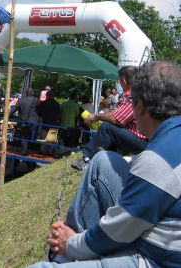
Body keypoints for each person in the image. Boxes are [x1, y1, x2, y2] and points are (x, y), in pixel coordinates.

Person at [29, 61, 181, 268]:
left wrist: (72, 244)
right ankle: (66, 251)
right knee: (102, 161)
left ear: (140, 106)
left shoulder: (158, 159)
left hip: (156, 259)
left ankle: (64, 248)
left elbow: (120, 229)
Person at [72, 66, 148, 171]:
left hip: (141, 142)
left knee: (108, 127)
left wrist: (96, 116)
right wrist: (98, 121)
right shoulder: (136, 95)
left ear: (123, 80)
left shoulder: (133, 97)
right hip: (140, 139)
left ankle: (87, 160)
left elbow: (114, 119)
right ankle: (106, 158)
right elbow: (115, 115)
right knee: (108, 128)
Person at [10, 88, 39, 155]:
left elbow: (14, 109)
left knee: (24, 136)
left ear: (26, 93)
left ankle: (24, 151)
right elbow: (39, 110)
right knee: (33, 136)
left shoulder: (21, 100)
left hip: (24, 121)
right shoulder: (36, 100)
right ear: (33, 93)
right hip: (33, 122)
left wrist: (7, 115)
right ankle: (33, 150)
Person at [37, 88, 61, 155]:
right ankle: (50, 152)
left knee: (43, 139)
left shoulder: (43, 103)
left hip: (45, 124)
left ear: (47, 95)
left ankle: (43, 152)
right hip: (54, 124)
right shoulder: (57, 104)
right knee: (52, 140)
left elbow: (39, 113)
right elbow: (59, 114)